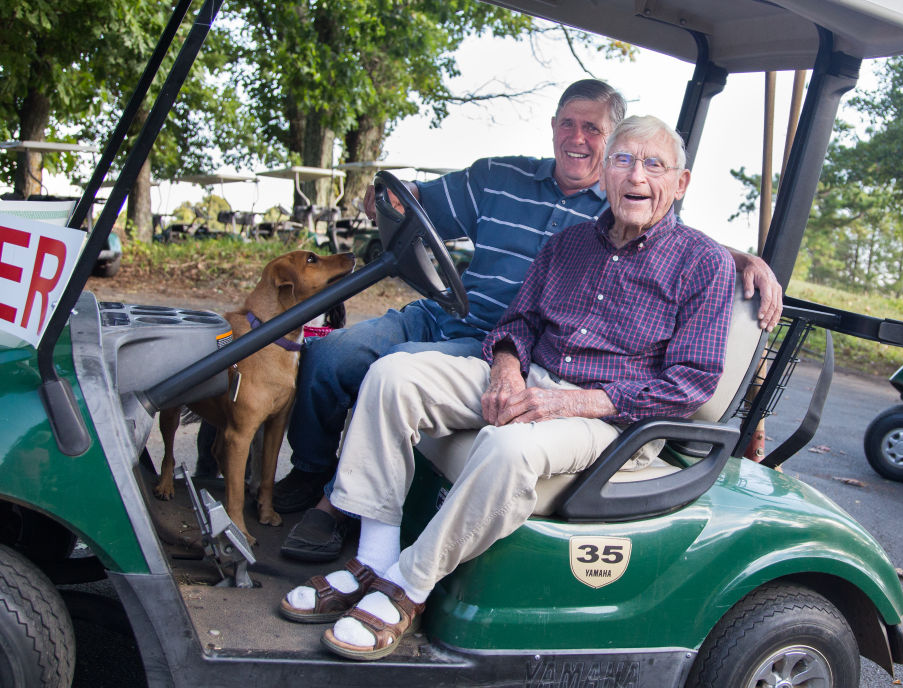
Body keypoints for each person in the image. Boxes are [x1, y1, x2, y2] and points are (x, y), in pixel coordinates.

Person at [277, 115, 736, 661]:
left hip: (611, 419)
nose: (636, 175)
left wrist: (570, 401)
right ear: (605, 175)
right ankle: (373, 557)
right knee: (393, 375)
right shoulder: (568, 245)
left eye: (654, 164)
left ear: (679, 184)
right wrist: (507, 370)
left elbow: (691, 382)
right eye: (623, 159)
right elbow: (517, 324)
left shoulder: (703, 264)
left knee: (505, 444)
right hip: (533, 381)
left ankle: (408, 584)